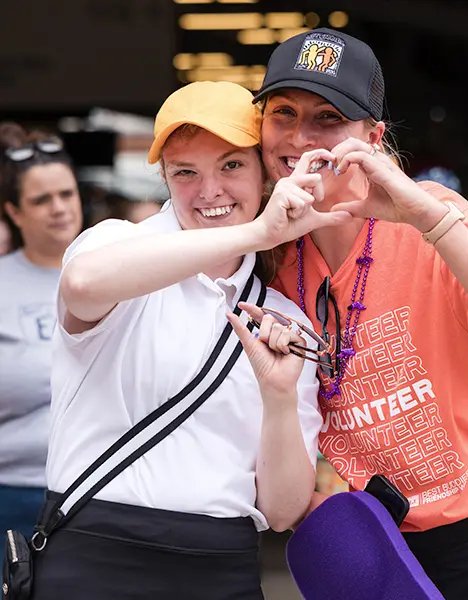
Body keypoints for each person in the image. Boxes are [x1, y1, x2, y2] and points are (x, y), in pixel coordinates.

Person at [253, 28, 468, 599]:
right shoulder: (274, 262)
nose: (299, 136)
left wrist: (427, 220)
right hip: (407, 546)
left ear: (372, 136)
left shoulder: (432, 217)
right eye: (283, 113)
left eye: (328, 117)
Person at [31, 81, 349, 600]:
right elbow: (84, 287)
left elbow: (281, 509)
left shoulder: (285, 319)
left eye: (231, 166)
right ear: (164, 178)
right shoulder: (115, 245)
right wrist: (260, 234)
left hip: (219, 562)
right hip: (94, 550)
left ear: (265, 175)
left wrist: (278, 397)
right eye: (186, 172)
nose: (210, 191)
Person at [0, 123, 82, 542]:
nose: (59, 208)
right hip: (11, 495)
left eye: (67, 194)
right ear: (14, 212)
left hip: (99, 492)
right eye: (41, 199)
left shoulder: (121, 271)